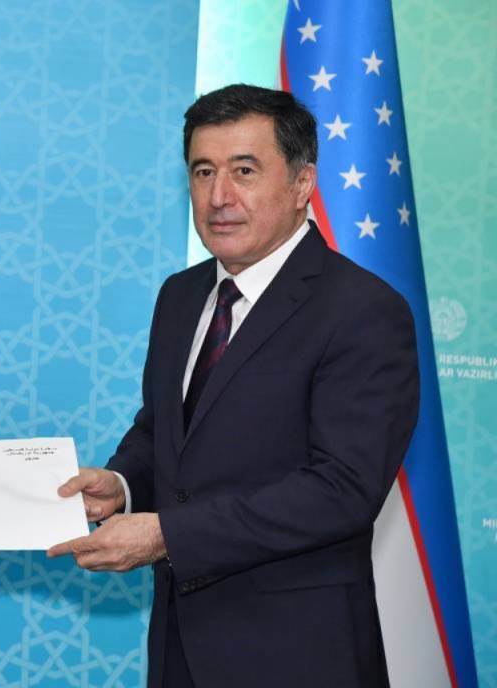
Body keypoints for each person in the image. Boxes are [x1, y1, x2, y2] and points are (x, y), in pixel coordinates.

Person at [48, 84, 419, 687]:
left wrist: (167, 536)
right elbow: (163, 432)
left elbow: (342, 489)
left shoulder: (363, 310)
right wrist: (122, 485)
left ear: (302, 184)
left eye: (244, 171)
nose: (219, 196)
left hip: (298, 656)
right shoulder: (180, 296)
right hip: (178, 649)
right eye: (203, 172)